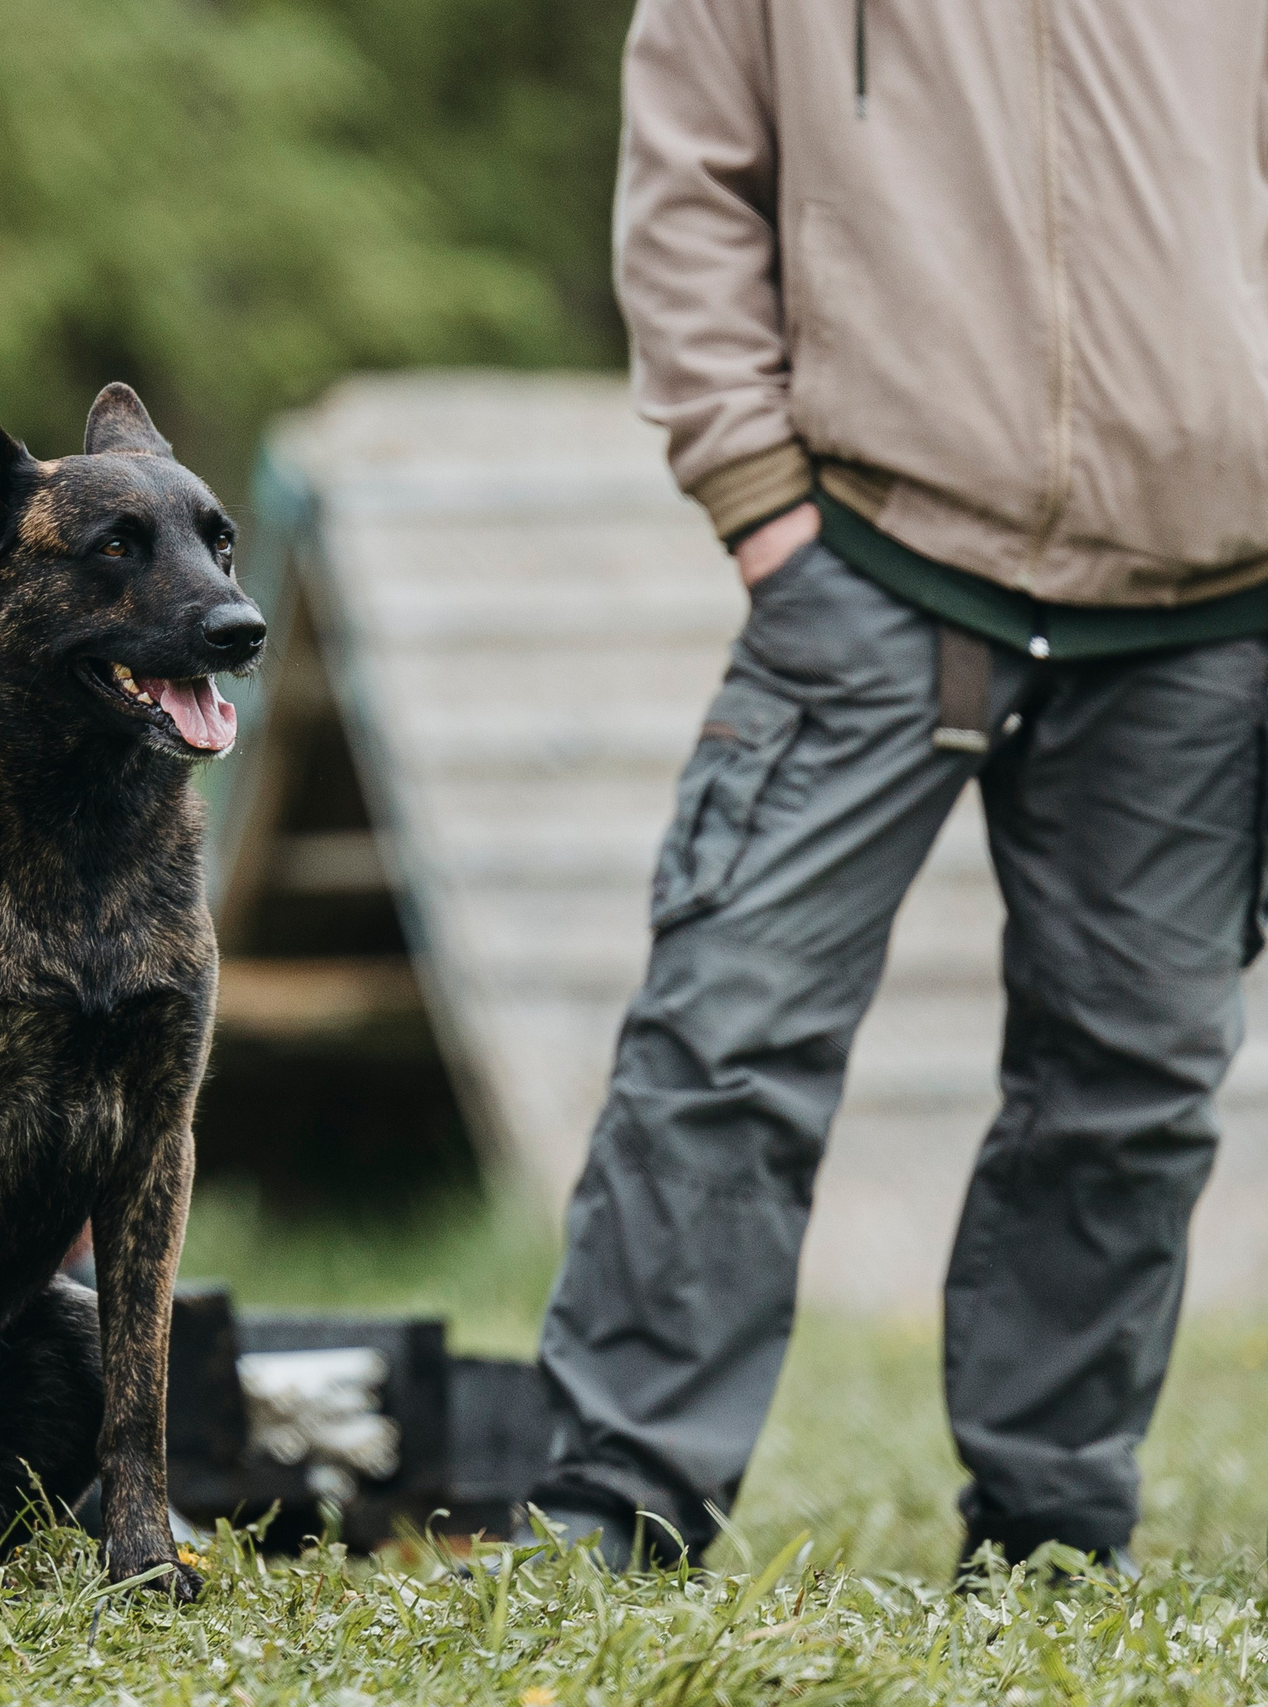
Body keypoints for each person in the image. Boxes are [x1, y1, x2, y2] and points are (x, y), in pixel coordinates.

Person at [533, 1, 1268, 1574]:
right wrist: (761, 505)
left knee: (1134, 1085)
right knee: (726, 1036)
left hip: (1210, 597)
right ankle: (617, 1510)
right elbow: (686, 189)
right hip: (870, 556)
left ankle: (1054, 1535)